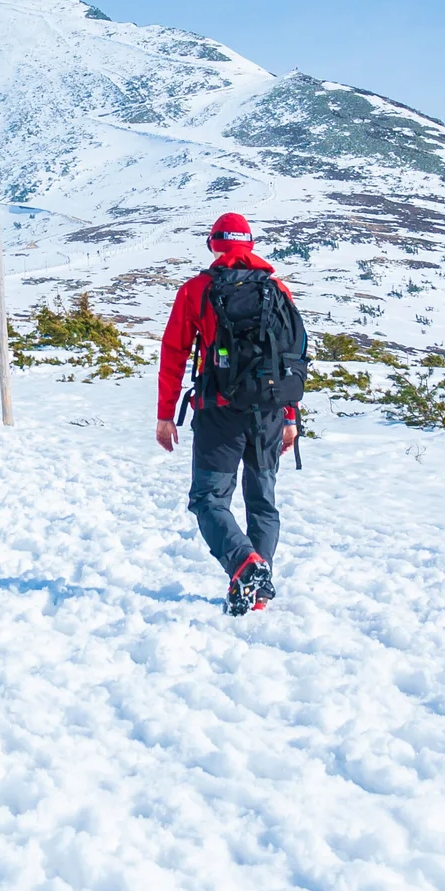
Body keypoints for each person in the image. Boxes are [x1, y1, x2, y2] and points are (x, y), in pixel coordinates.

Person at [155, 212, 307, 615]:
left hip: (219, 414)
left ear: (213, 245)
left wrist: (165, 414)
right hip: (269, 414)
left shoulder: (196, 290)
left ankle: (244, 564)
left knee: (208, 499)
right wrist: (290, 416)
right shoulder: (277, 290)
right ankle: (258, 591)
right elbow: (289, 357)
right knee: (262, 502)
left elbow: (174, 353)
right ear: (250, 245)